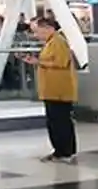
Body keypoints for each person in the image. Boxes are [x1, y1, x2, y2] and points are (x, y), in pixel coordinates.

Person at [24, 17, 79, 163]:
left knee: (60, 122)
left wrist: (39, 62)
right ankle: (61, 151)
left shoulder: (58, 42)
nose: (37, 35)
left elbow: (60, 62)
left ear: (49, 28)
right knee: (56, 122)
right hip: (51, 89)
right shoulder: (50, 43)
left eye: (39, 31)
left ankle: (64, 152)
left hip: (59, 91)